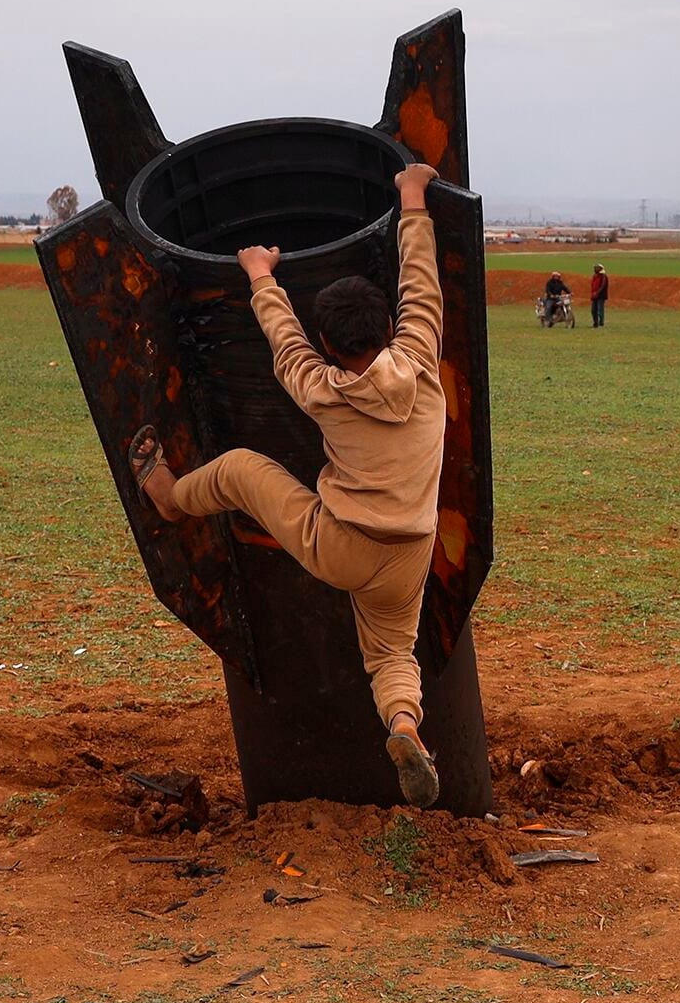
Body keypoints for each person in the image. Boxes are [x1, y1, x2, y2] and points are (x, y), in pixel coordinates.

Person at [129, 162, 448, 807]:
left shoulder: (322, 389)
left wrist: (260, 275)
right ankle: (404, 726)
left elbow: (284, 345)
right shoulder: (421, 361)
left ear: (329, 344)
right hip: (409, 550)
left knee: (242, 469)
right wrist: (411, 199)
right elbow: (422, 284)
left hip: (338, 543)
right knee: (391, 653)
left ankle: (169, 499)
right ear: (390, 327)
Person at [590, 263, 609, 327]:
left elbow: (603, 286)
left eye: (597, 268)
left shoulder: (603, 276)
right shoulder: (595, 276)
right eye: (595, 268)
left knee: (600, 309)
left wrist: (597, 292)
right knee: (593, 310)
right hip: (594, 295)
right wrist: (593, 293)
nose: (595, 269)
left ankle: (601, 322)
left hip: (601, 296)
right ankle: (595, 322)